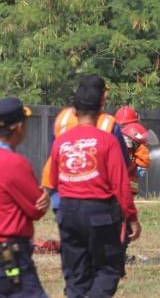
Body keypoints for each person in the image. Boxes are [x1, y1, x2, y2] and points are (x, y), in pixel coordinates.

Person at [49, 84, 141, 298]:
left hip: (67, 212)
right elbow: (122, 184)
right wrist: (131, 217)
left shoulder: (62, 141)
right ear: (102, 107)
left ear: (74, 110)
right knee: (110, 267)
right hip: (99, 212)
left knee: (76, 271)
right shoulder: (108, 140)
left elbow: (54, 179)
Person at [0, 98, 61, 298]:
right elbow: (35, 209)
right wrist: (43, 198)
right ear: (18, 127)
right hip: (9, 258)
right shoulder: (13, 164)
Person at [41, 75, 129, 212]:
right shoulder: (108, 123)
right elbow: (123, 164)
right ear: (103, 95)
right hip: (97, 200)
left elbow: (53, 156)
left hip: (63, 197)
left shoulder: (62, 118)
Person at [115, 107, 152, 195]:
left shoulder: (113, 135)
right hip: (126, 185)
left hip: (120, 184)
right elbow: (145, 160)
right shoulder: (137, 140)